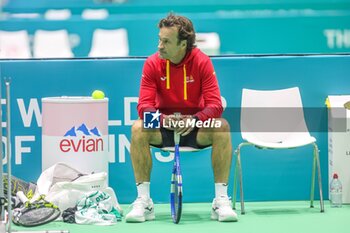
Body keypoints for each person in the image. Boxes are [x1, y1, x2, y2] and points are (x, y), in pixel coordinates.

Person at [126, 13, 237, 223]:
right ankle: (144, 202)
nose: (160, 45)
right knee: (138, 128)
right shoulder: (152, 63)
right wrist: (163, 120)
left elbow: (215, 104)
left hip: (195, 128)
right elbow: (144, 106)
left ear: (183, 43)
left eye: (166, 41)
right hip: (163, 127)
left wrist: (194, 120)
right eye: (159, 39)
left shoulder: (202, 62)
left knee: (222, 126)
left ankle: (220, 200)